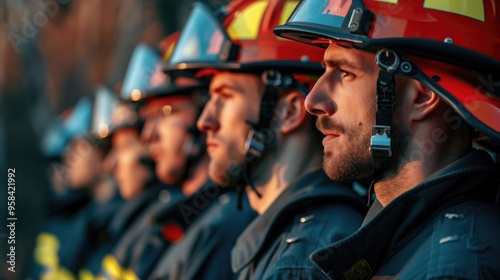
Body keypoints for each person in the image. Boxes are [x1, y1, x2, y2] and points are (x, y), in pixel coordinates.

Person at [274, 0, 500, 279]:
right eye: (324, 70)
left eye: (345, 72)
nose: (313, 100)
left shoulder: (451, 270)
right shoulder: (408, 244)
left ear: (421, 96)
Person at [165, 0, 367, 278]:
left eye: (226, 96)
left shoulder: (304, 256)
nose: (205, 121)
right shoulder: (287, 236)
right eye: (210, 99)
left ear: (289, 112)